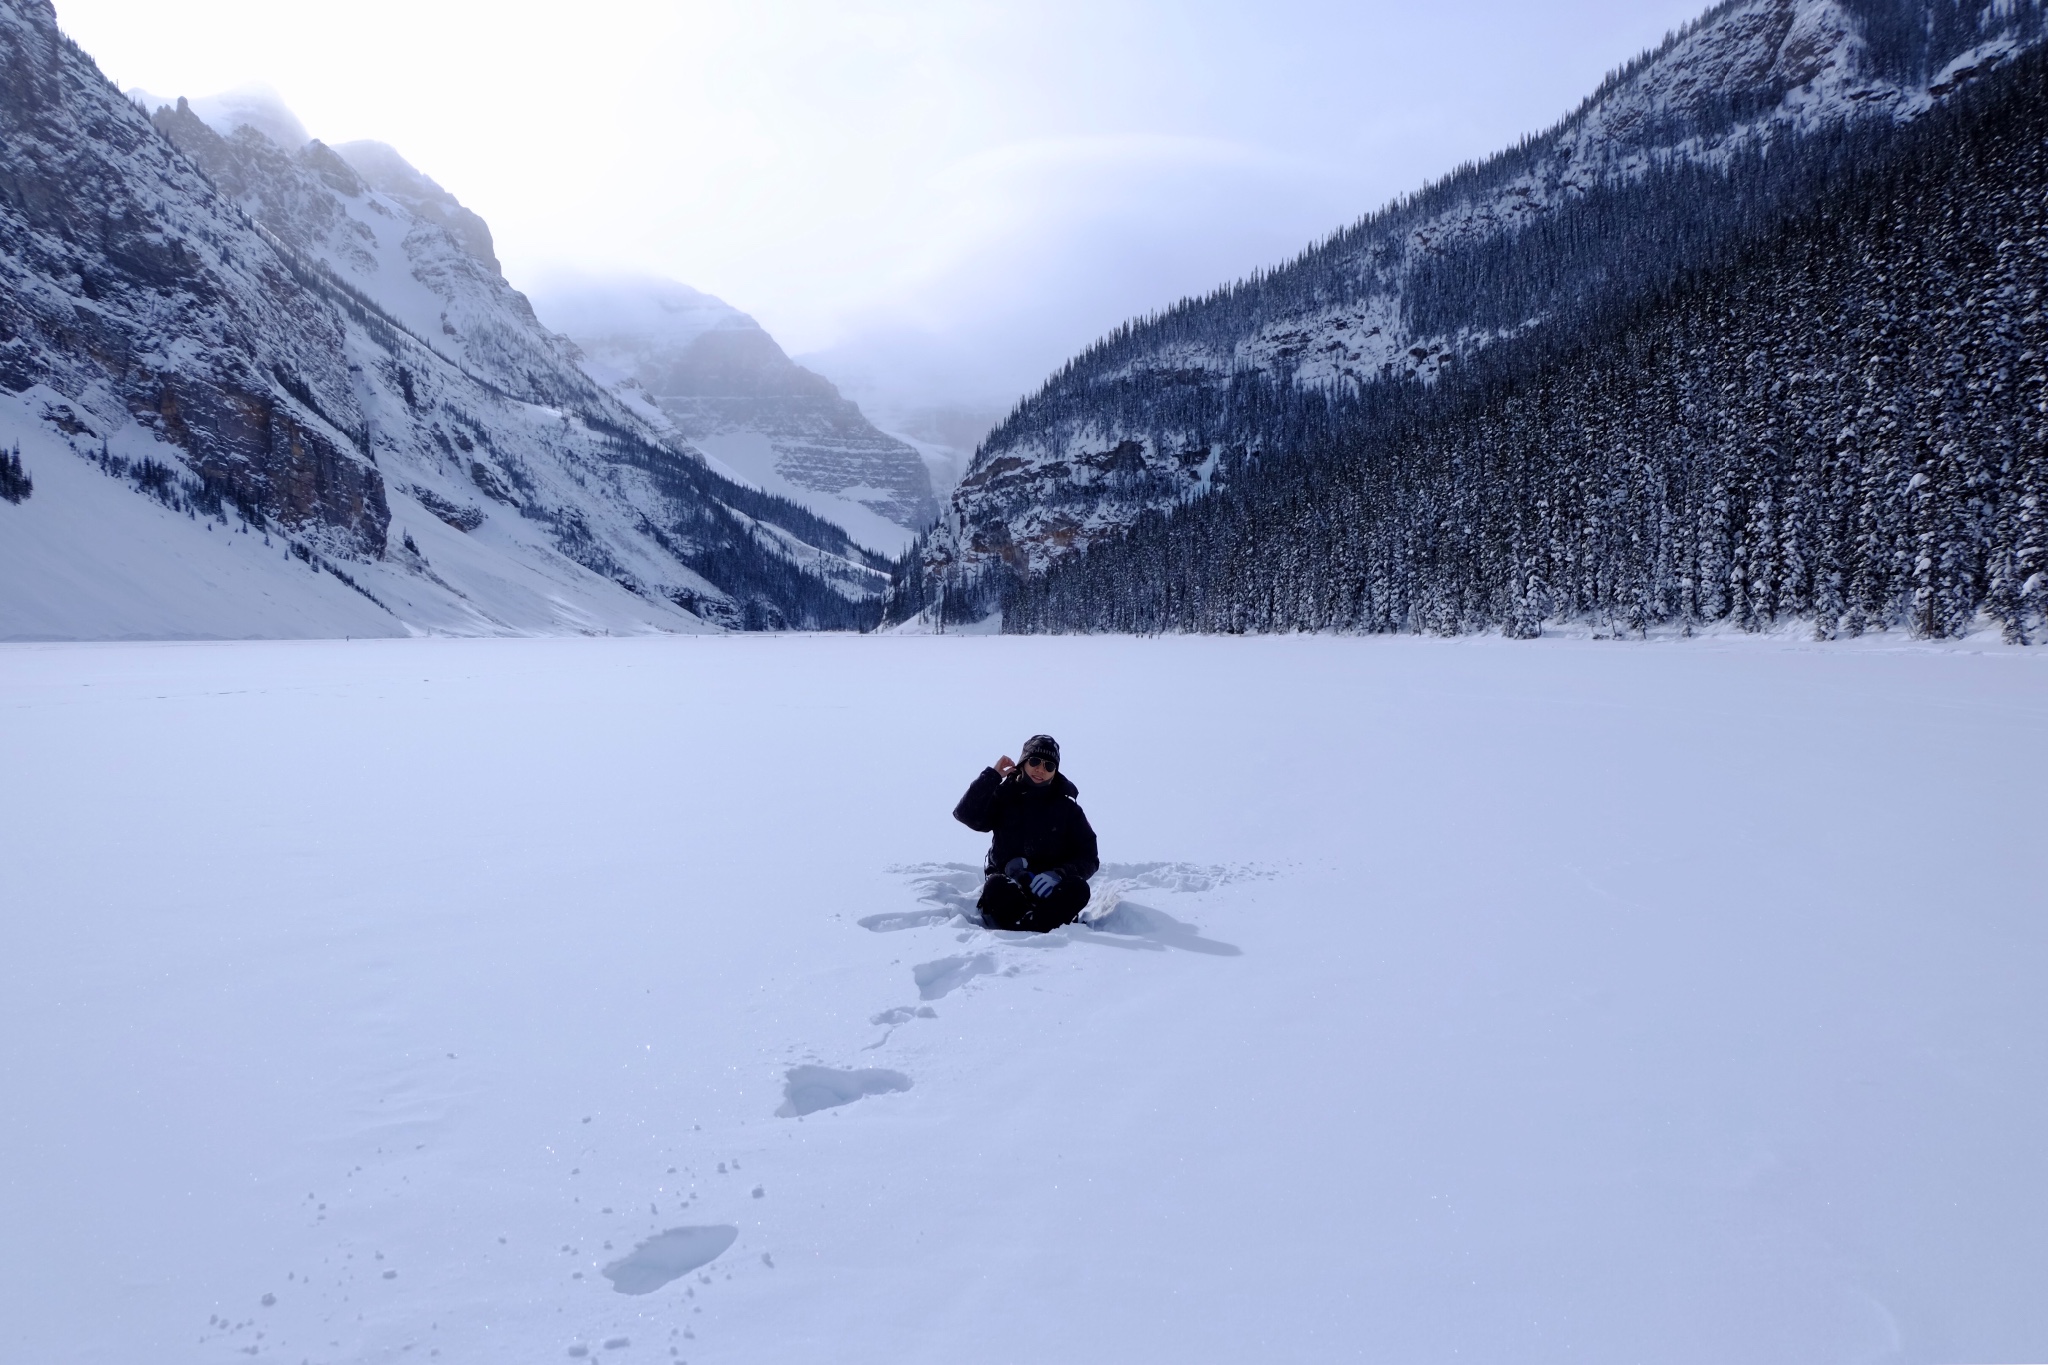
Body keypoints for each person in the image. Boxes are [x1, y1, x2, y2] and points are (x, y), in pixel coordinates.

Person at [952, 734, 1099, 933]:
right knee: (996, 886)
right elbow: (966, 814)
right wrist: (992, 776)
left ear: (1055, 771)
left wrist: (1058, 874)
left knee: (1078, 889)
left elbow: (1089, 857)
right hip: (1009, 888)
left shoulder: (1068, 809)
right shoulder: (1004, 797)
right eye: (1035, 761)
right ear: (1023, 762)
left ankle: (1032, 925)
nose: (1041, 769)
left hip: (1050, 893)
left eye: (1049, 766)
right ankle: (1037, 926)